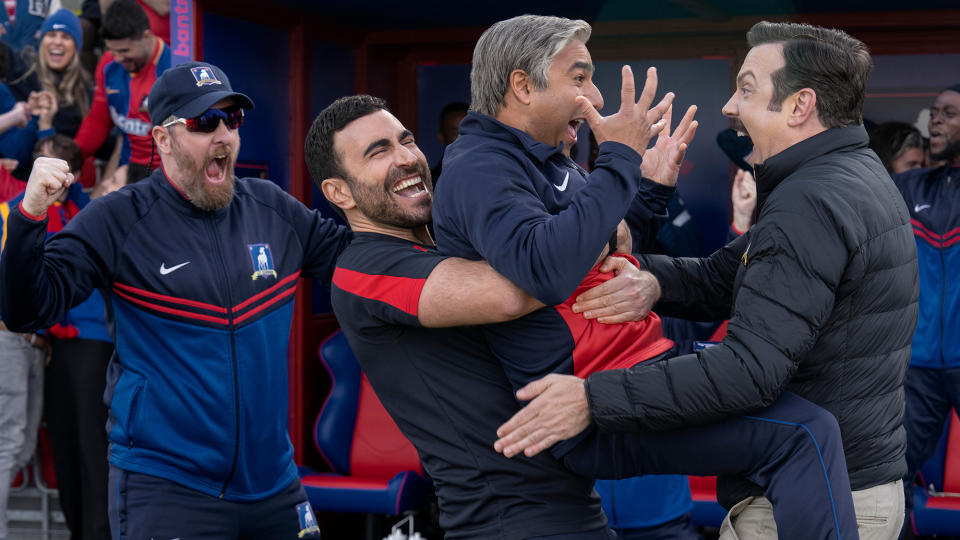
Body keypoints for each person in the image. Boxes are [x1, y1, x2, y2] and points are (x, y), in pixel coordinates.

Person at [310, 93, 857, 540]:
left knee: (798, 430)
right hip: (508, 521)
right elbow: (529, 283)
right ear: (339, 191)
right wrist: (616, 168)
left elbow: (574, 264)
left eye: (405, 140)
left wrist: (643, 199)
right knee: (800, 433)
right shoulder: (364, 270)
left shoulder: (444, 246)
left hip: (572, 491)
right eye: (377, 152)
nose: (406, 157)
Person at [495, 20, 918, 540]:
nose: (729, 107)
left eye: (745, 89)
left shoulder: (811, 199)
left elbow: (747, 369)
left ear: (800, 105)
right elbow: (729, 275)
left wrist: (591, 398)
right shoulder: (850, 172)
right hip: (844, 486)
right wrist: (649, 278)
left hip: (815, 497)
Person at [0, 60, 348, 539]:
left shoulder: (271, 208)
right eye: (205, 122)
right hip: (169, 489)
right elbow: (26, 308)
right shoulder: (118, 219)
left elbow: (358, 266)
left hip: (275, 486)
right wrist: (30, 214)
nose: (223, 134)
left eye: (232, 118)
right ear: (163, 140)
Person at [892, 84, 960, 534]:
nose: (935, 120)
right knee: (890, 475)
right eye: (934, 112)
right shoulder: (908, 185)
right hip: (918, 367)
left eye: (949, 113)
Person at [74, 0, 169, 184]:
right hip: (127, 171)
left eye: (125, 51)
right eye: (112, 50)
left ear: (147, 36)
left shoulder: (172, 69)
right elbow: (99, 120)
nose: (117, 58)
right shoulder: (108, 63)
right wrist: (73, 158)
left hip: (166, 176)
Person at [3, 9, 92, 180]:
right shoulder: (21, 72)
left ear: (77, 46)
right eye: (51, 34)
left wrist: (46, 124)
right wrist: (31, 115)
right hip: (15, 179)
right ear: (41, 40)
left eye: (66, 37)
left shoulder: (86, 91)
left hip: (59, 184)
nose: (57, 42)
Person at [429, 101, 467, 183]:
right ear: (441, 137)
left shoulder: (493, 176)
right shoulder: (429, 183)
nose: (464, 139)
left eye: (469, 131)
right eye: (455, 133)